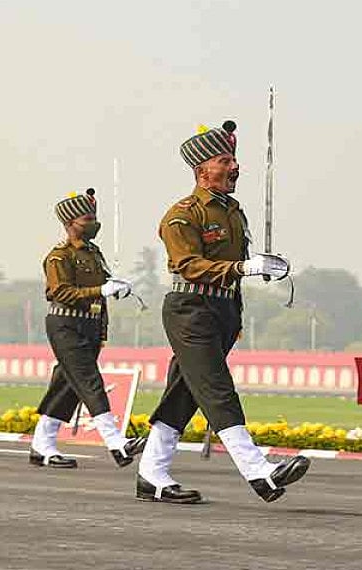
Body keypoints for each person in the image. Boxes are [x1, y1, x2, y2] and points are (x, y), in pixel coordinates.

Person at [136, 120, 308, 504]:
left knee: (184, 393)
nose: (234, 167)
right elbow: (187, 264)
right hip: (190, 309)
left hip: (223, 308)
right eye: (224, 159)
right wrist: (241, 268)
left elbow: (237, 263)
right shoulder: (181, 215)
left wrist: (258, 267)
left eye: (234, 159)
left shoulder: (234, 212)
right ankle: (259, 471)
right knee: (215, 387)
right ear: (201, 171)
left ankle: (151, 474)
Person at [28, 189, 145, 468]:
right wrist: (101, 289)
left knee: (66, 385)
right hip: (65, 323)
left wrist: (113, 290)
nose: (93, 223)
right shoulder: (59, 257)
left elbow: (100, 294)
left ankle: (41, 445)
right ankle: (117, 443)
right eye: (86, 218)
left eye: (94, 217)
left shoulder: (94, 253)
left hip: (89, 324)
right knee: (89, 380)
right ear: (70, 224)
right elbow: (59, 292)